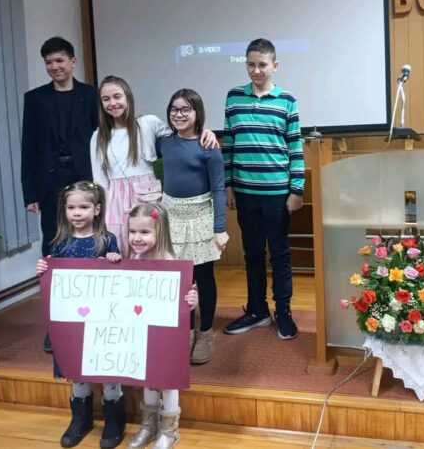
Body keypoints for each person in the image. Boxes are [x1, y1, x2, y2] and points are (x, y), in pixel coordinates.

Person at [222, 38, 305, 340]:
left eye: (262, 65)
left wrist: (297, 190)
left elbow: (295, 146)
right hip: (245, 193)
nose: (256, 70)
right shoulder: (234, 97)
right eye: (251, 65)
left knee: (280, 255)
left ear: (274, 65)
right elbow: (228, 145)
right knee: (252, 253)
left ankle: (283, 312)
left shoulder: (287, 100)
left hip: (278, 195)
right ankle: (257, 310)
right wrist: (228, 186)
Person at [35, 181, 126, 449]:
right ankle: (81, 419)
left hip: (102, 318)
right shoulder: (59, 242)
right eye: (71, 207)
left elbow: (120, 276)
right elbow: (53, 279)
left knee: (108, 366)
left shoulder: (107, 240)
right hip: (73, 321)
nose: (76, 213)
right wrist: (42, 269)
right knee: (76, 367)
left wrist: (113, 260)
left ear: (96, 209)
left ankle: (114, 420)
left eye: (83, 207)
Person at [22, 36, 97, 354]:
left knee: (91, 245)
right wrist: (30, 192)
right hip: (50, 184)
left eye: (59, 60)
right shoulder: (35, 99)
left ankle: (91, 316)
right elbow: (28, 147)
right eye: (48, 62)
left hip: (86, 182)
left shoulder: (91, 95)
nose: (54, 67)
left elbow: (103, 141)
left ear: (73, 62)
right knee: (53, 249)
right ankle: (56, 324)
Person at [90, 76, 218, 258]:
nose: (112, 103)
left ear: (127, 96)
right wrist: (103, 215)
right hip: (115, 203)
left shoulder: (147, 123)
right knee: (121, 251)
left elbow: (180, 137)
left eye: (117, 96)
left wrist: (205, 131)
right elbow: (101, 182)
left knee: (153, 252)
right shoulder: (98, 137)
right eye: (106, 99)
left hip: (148, 198)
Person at [157, 89, 228, 365]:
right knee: (179, 279)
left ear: (197, 112)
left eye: (186, 109)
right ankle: (184, 333)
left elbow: (219, 189)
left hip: (200, 216)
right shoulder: (164, 142)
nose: (179, 114)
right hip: (171, 216)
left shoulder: (208, 147)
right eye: (174, 109)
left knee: (204, 277)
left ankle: (205, 333)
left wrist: (219, 228)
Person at [125, 202, 197, 449]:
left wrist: (192, 301)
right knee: (147, 378)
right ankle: (149, 426)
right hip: (142, 331)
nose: (137, 238)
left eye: (144, 232)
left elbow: (183, 304)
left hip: (165, 336)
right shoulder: (134, 259)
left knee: (167, 382)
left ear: (160, 232)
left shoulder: (169, 262)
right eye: (132, 231)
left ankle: (168, 431)